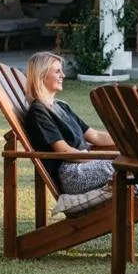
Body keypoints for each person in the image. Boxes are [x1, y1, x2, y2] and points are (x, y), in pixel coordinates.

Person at [23, 51, 116, 195]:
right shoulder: (39, 112)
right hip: (73, 173)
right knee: (129, 165)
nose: (63, 75)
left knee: (137, 160)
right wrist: (100, 157)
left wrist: (128, 140)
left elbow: (96, 136)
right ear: (41, 75)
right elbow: (64, 151)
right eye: (57, 71)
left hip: (86, 163)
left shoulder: (61, 106)